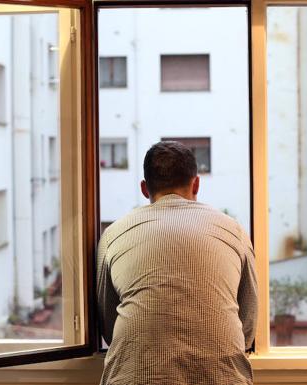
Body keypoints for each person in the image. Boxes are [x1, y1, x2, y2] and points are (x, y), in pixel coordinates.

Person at [97, 141, 258, 385]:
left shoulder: (114, 233)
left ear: (144, 188)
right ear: (196, 184)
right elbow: (247, 325)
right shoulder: (232, 230)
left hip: (135, 377)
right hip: (222, 377)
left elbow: (108, 325)